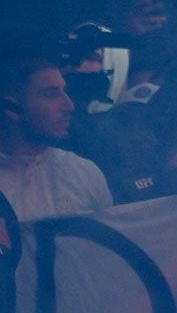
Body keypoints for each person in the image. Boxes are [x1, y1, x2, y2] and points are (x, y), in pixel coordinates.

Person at [0, 50, 112, 220]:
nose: (69, 106)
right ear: (12, 108)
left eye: (64, 92)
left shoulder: (84, 172)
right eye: (51, 95)